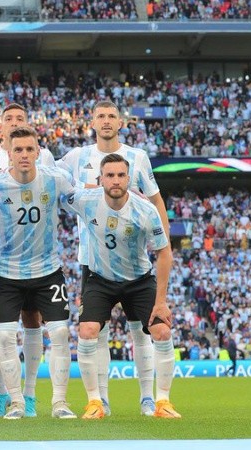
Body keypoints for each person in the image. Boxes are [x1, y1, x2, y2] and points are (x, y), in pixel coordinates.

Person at [57, 100, 169, 417]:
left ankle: (148, 398)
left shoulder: (138, 157)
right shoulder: (77, 157)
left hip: (134, 260)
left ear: (121, 123)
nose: (106, 121)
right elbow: (52, 176)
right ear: (91, 122)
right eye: (100, 116)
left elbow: (156, 201)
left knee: (142, 331)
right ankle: (100, 400)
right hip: (92, 259)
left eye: (111, 116)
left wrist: (162, 239)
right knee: (97, 331)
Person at [0, 127, 76, 420]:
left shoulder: (55, 180)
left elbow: (81, 201)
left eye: (30, 149)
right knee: (5, 337)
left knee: (59, 332)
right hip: (6, 274)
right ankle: (17, 402)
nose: (24, 155)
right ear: (9, 153)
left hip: (48, 272)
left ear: (38, 152)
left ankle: (59, 403)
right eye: (18, 150)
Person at [68, 153, 180, 419]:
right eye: (110, 175)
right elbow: (59, 190)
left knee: (162, 331)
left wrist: (161, 301)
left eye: (121, 175)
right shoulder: (85, 201)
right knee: (87, 331)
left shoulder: (145, 210)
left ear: (129, 179)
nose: (115, 180)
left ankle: (162, 402)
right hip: (100, 278)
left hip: (138, 280)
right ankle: (95, 402)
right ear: (101, 179)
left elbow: (165, 254)